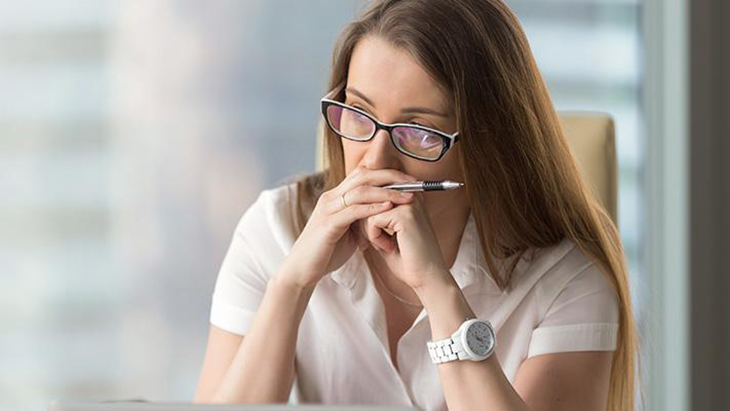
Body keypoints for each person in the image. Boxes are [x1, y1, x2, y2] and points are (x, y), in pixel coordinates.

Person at [194, 0, 639, 410]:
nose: (375, 160)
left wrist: (437, 290)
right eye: (358, 113)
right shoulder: (271, 230)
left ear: (488, 144)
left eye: (419, 131)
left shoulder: (568, 279)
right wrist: (291, 285)